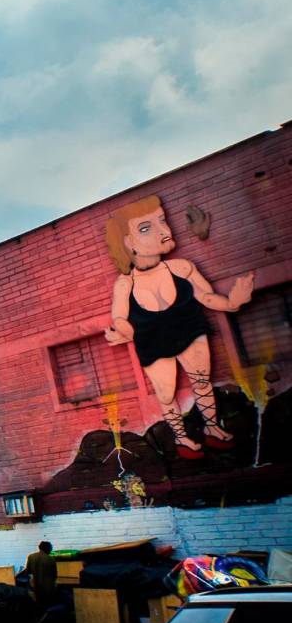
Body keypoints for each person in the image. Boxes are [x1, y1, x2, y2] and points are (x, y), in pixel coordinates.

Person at [104, 196, 254, 459]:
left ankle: (212, 428)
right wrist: (124, 331)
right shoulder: (125, 283)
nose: (165, 231)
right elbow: (119, 316)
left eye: (162, 220)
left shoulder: (182, 267)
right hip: (152, 341)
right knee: (166, 393)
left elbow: (206, 297)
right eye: (146, 227)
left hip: (189, 329)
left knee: (202, 382)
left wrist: (231, 303)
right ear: (129, 243)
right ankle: (182, 438)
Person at [25, 541, 57, 607]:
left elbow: (28, 571)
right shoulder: (51, 559)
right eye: (51, 548)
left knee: (38, 605)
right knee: (48, 606)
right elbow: (54, 575)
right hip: (48, 588)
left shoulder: (31, 557)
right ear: (47, 549)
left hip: (35, 587)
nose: (51, 550)